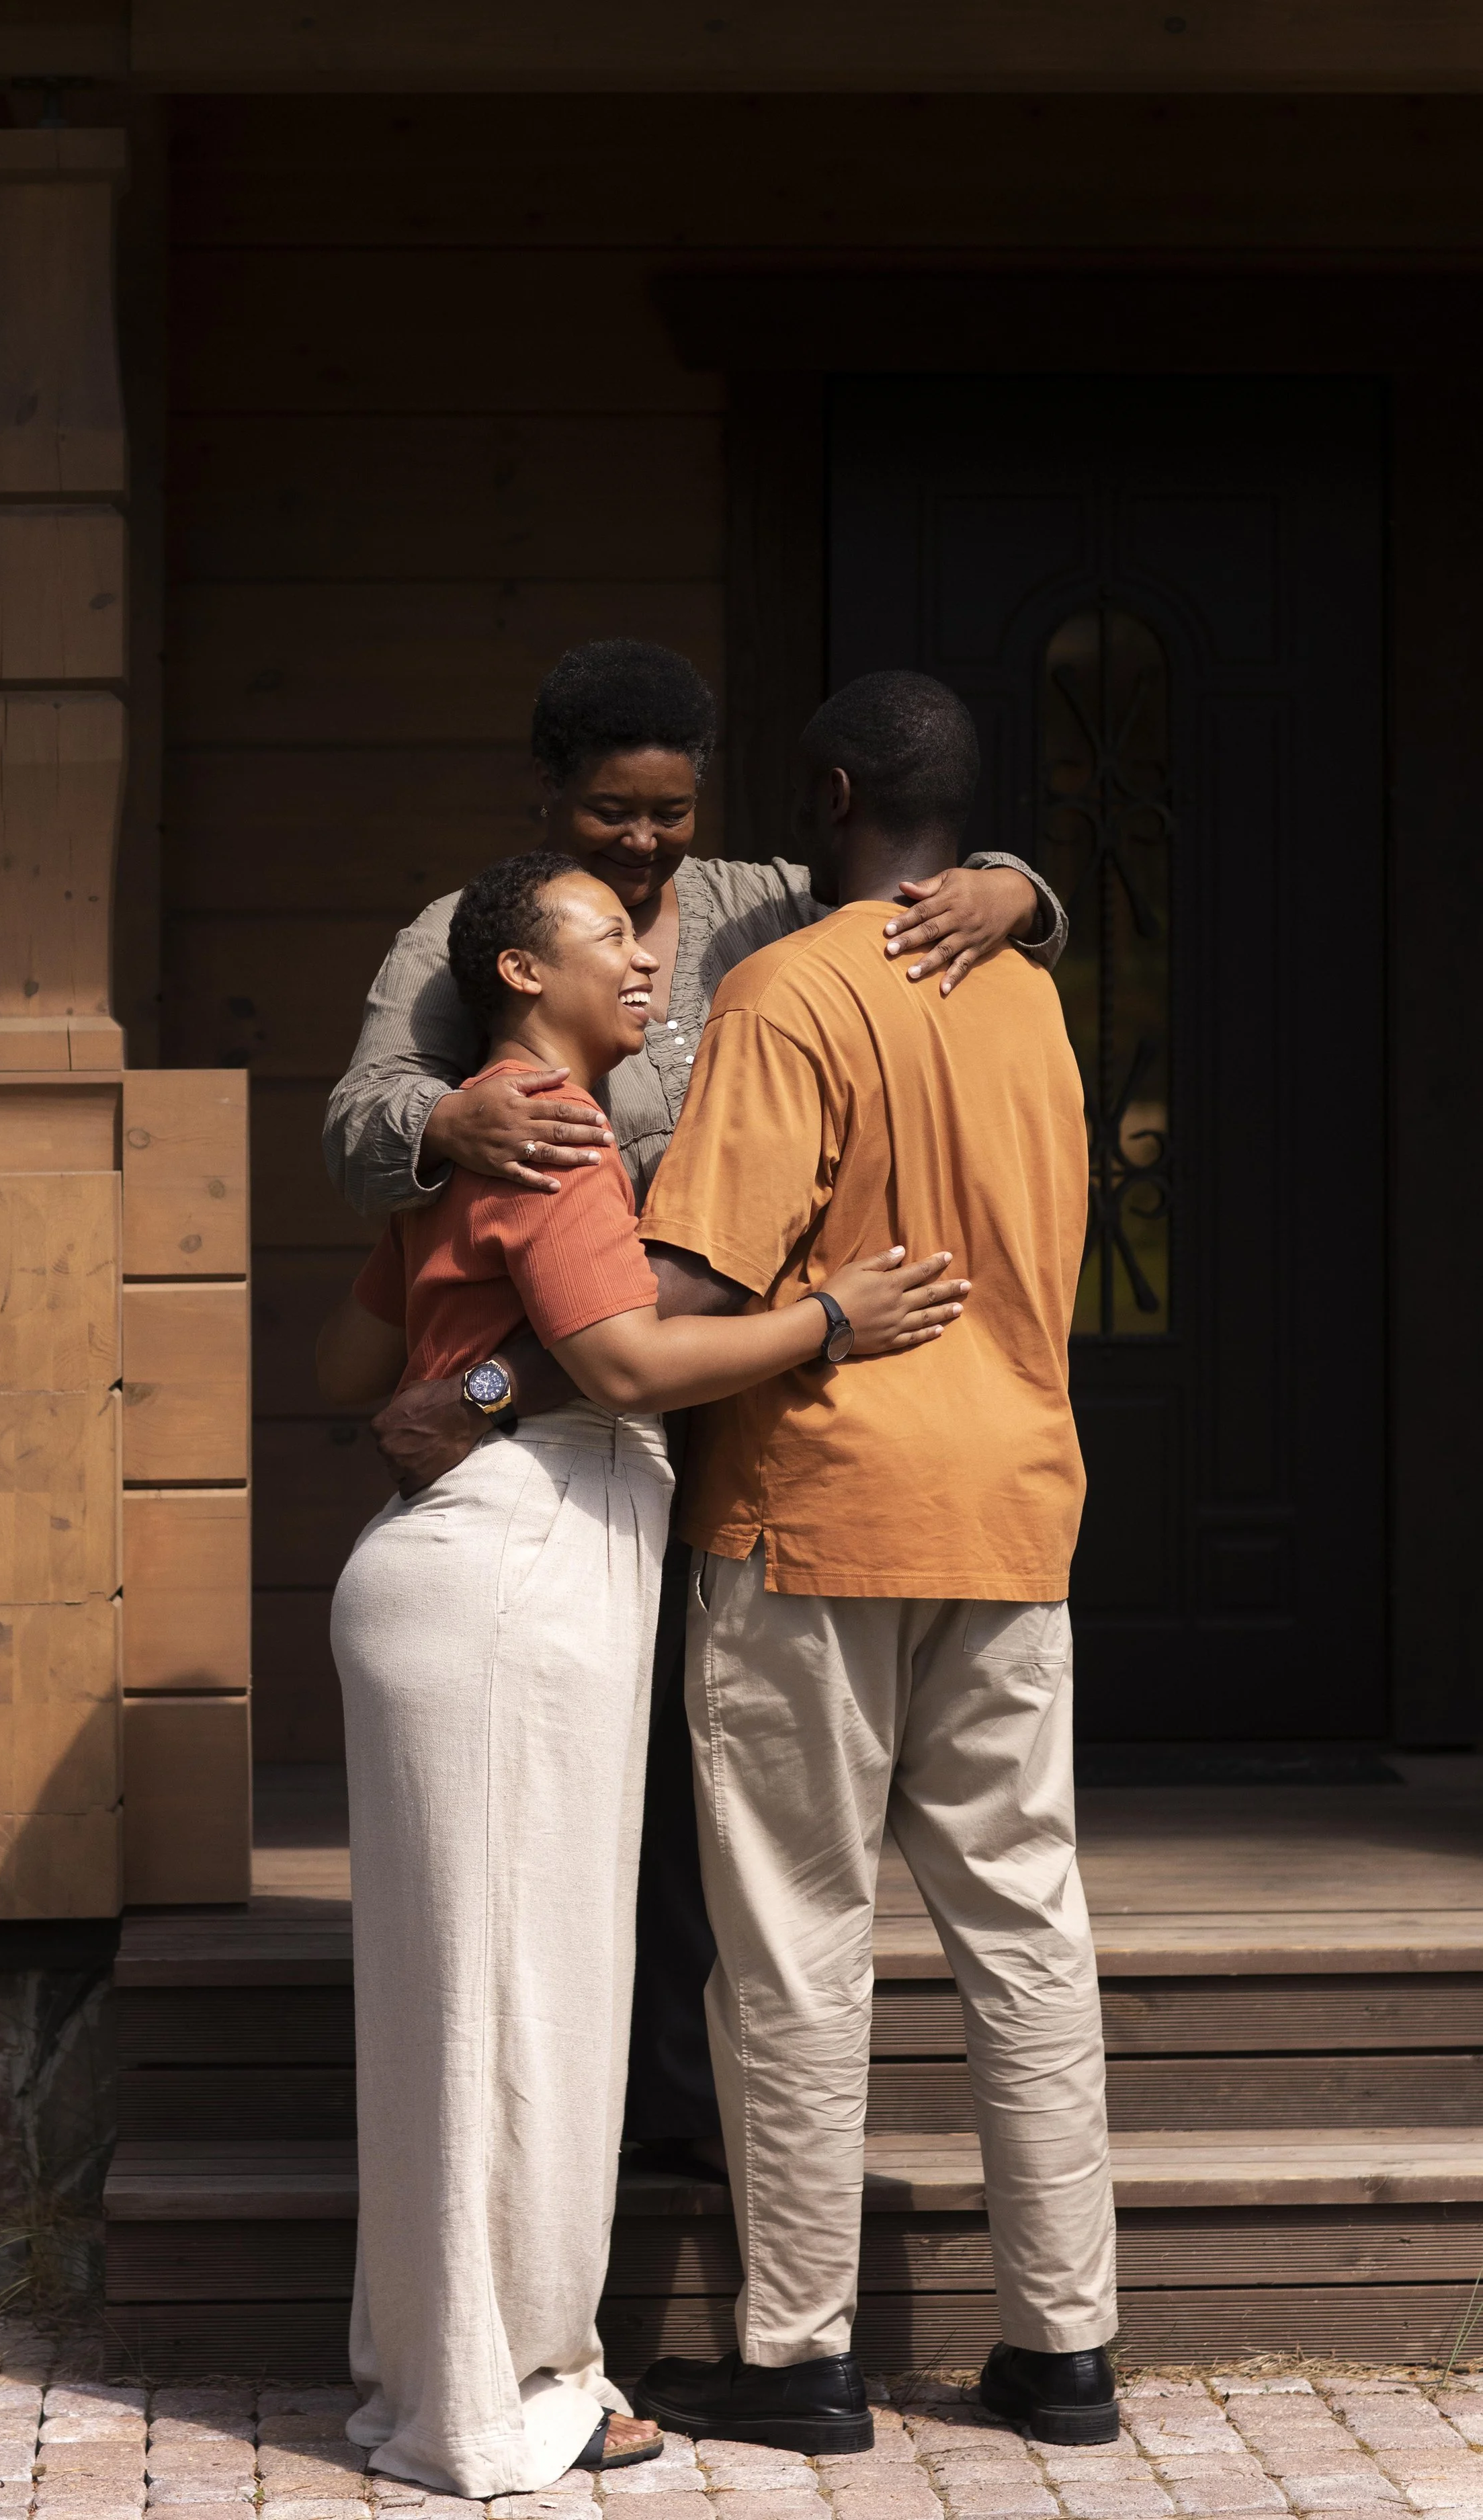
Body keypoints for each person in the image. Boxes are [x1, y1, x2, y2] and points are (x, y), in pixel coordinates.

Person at [323, 639, 1066, 2170]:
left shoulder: (761, 908)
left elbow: (905, 872)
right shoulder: (486, 942)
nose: (647, 844)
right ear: (548, 796)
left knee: (701, 1795)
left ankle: (678, 2115)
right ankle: (572, 2129)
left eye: (669, 811)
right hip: (569, 1409)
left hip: (731, 1411)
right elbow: (358, 1133)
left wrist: (1017, 888)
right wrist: (440, 1115)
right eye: (610, 812)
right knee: (595, 1795)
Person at [317, 848, 970, 2500]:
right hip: (514, 1572)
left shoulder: (483, 1126)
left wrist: (463, 1348)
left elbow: (355, 1361)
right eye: (608, 931)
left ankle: (449, 2370)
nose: (646, 950)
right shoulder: (550, 1123)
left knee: (461, 2007)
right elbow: (618, 1361)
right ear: (520, 973)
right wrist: (831, 1317)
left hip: (467, 1559)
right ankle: (498, 2395)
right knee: (520, 2004)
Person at [629, 671, 1117, 2455]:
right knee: (1025, 1924)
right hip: (1012, 1507)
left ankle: (796, 2353)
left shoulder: (783, 991)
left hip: (814, 1509)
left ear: (826, 792)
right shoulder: (1035, 1000)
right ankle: (1062, 2350)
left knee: (791, 1937)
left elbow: (691, 1283)